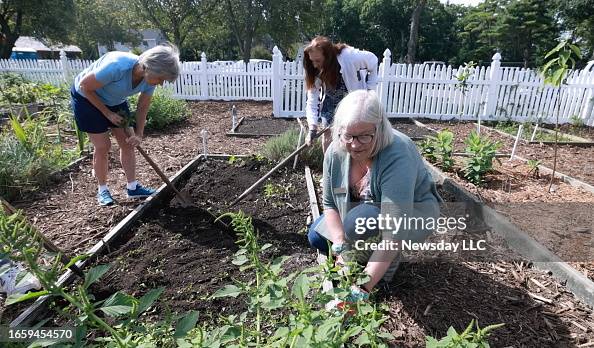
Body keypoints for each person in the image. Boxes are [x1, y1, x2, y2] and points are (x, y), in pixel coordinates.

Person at [307, 90, 441, 301]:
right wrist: (341, 245)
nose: (354, 144)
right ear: (339, 130)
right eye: (348, 135)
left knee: (362, 222)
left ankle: (378, 268)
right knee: (317, 235)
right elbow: (330, 203)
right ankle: (360, 250)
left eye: (364, 136)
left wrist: (364, 287)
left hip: (410, 214)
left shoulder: (397, 154)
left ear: (379, 129)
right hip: (362, 212)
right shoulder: (335, 151)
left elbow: (394, 233)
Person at [71, 44, 181, 206]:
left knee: (128, 143)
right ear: (150, 68)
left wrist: (139, 134)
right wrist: (107, 113)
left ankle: (133, 188)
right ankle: (102, 190)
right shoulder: (117, 66)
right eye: (161, 79)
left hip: (116, 102)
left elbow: (143, 106)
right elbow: (84, 86)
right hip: (87, 99)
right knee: (103, 146)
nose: (161, 84)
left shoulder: (149, 80)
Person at [303, 36, 379, 152]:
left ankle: (350, 167)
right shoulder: (315, 70)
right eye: (312, 60)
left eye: (317, 60)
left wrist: (370, 90)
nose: (314, 65)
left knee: (352, 138)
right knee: (328, 137)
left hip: (353, 104)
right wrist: (312, 129)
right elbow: (312, 101)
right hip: (331, 103)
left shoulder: (350, 57)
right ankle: (329, 168)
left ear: (328, 57)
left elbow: (373, 60)